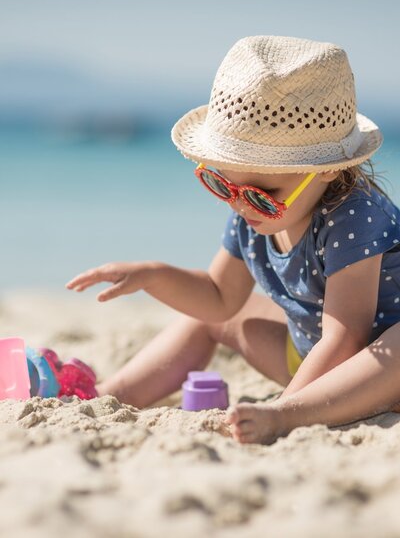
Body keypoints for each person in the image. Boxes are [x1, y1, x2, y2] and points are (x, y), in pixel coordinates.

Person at [66, 35, 400, 445]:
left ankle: (289, 415)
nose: (242, 205)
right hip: (309, 359)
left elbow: (346, 337)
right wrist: (154, 275)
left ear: (327, 169)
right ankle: (107, 395)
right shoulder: (249, 214)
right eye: (224, 185)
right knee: (210, 319)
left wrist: (280, 410)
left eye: (262, 193)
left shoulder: (355, 216)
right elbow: (218, 297)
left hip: (372, 369)